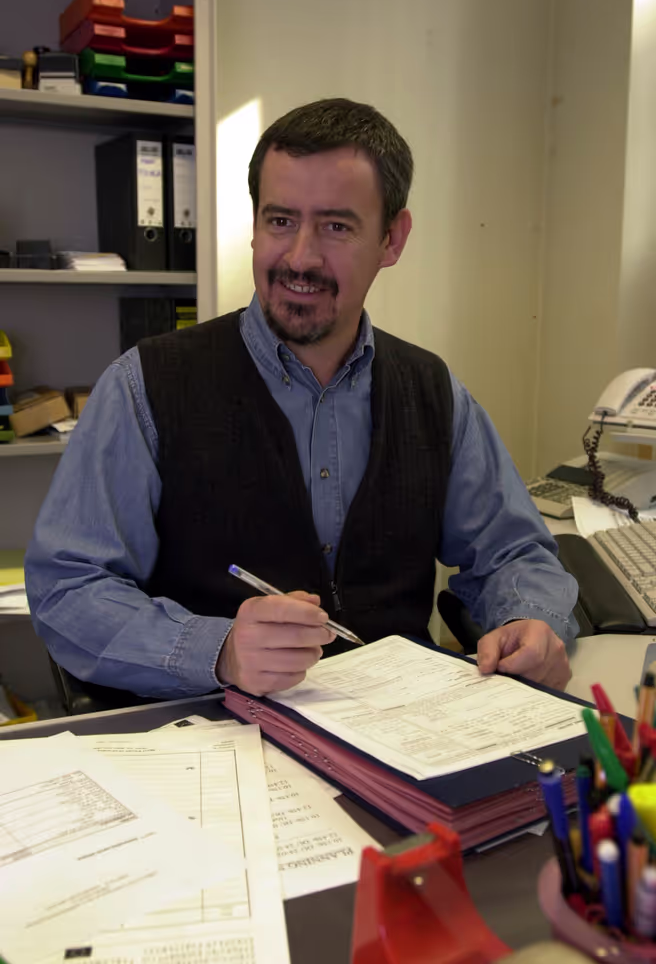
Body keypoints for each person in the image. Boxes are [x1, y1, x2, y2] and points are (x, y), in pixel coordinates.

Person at [25, 98, 578, 701]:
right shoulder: (144, 387)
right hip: (209, 732)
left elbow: (513, 550)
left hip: (397, 727)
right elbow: (68, 587)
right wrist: (217, 650)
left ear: (392, 239)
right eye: (281, 220)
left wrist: (532, 619)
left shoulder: (433, 391)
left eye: (336, 226)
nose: (299, 258)